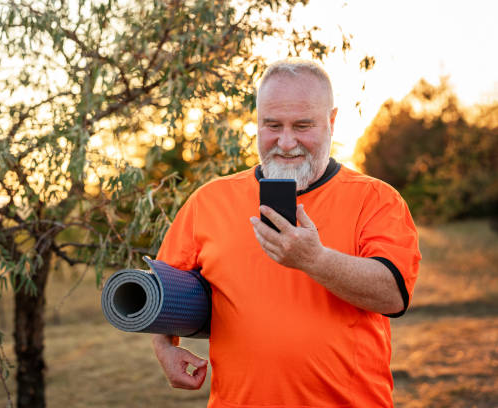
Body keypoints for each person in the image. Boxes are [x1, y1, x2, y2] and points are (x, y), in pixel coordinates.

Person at [152, 59, 421, 407]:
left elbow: (393, 295)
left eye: (303, 125)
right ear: (258, 122)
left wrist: (315, 260)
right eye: (273, 125)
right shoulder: (209, 200)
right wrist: (163, 348)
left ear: (332, 122)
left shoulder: (376, 199)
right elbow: (164, 290)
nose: (287, 141)